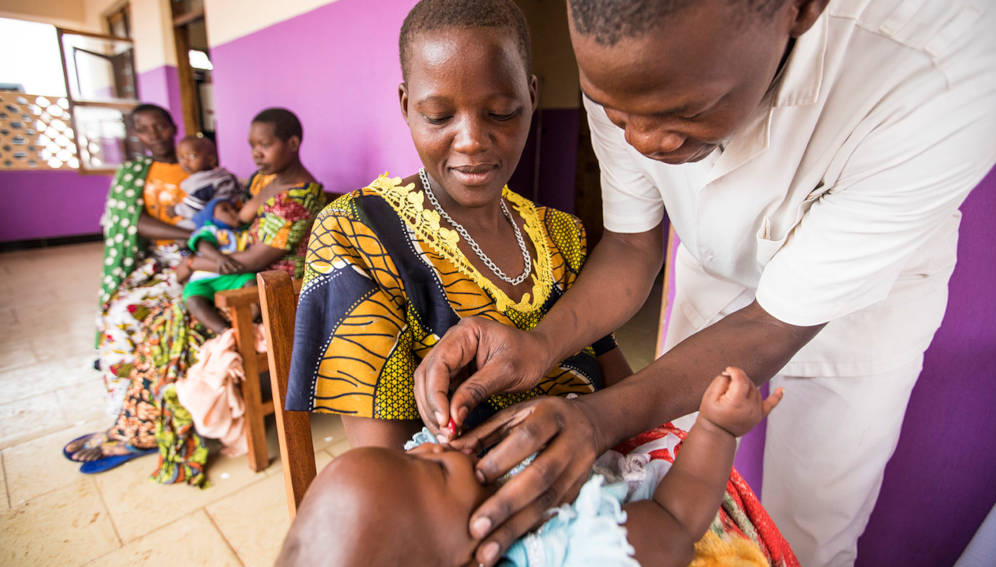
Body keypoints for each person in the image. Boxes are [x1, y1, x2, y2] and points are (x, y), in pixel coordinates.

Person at [413, 1, 996, 566]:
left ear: (798, 9)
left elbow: (777, 321)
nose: (642, 142)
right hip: (715, 267)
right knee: (666, 465)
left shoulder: (948, 64)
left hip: (860, 312)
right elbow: (632, 244)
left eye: (686, 110)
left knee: (811, 537)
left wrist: (599, 418)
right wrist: (539, 344)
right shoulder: (617, 50)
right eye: (615, 113)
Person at [284, 0, 630, 450]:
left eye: (502, 112)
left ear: (532, 97)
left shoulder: (562, 233)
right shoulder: (358, 234)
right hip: (468, 504)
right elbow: (388, 466)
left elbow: (614, 374)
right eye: (439, 116)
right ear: (407, 106)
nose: (470, 140)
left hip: (602, 469)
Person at [277, 368, 794, 567]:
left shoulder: (455, 478)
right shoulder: (578, 552)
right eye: (431, 471)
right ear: (468, 557)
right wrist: (717, 429)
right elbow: (680, 518)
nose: (430, 447)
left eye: (407, 453)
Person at [64, 108, 326, 484]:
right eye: (252, 145)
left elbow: (254, 258)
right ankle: (140, 421)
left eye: (265, 145)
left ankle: (140, 431)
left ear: (293, 144)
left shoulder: (299, 195)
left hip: (264, 291)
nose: (256, 153)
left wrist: (196, 262)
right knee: (158, 320)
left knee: (168, 330)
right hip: (239, 278)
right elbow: (234, 221)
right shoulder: (263, 181)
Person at [94, 104, 192, 411]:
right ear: (137, 135)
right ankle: (129, 389)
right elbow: (130, 219)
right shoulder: (135, 174)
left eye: (160, 126)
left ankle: (129, 406)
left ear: (173, 126)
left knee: (124, 314)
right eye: (145, 129)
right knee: (111, 307)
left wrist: (190, 240)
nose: (155, 135)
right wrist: (186, 234)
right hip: (156, 258)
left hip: (190, 259)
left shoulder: (195, 163)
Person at [176, 198, 255, 333]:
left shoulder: (244, 231)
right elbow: (202, 244)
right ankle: (224, 331)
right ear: (211, 216)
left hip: (234, 277)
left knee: (252, 282)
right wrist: (219, 258)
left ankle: (248, 322)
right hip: (205, 279)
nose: (232, 211)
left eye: (234, 209)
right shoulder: (212, 229)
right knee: (192, 299)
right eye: (225, 209)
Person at [172, 135, 244, 229]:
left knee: (181, 227)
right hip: (231, 212)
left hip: (217, 219)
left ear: (211, 160)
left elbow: (193, 207)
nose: (185, 162)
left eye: (192, 156)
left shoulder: (205, 181)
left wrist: (175, 210)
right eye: (181, 157)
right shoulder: (222, 174)